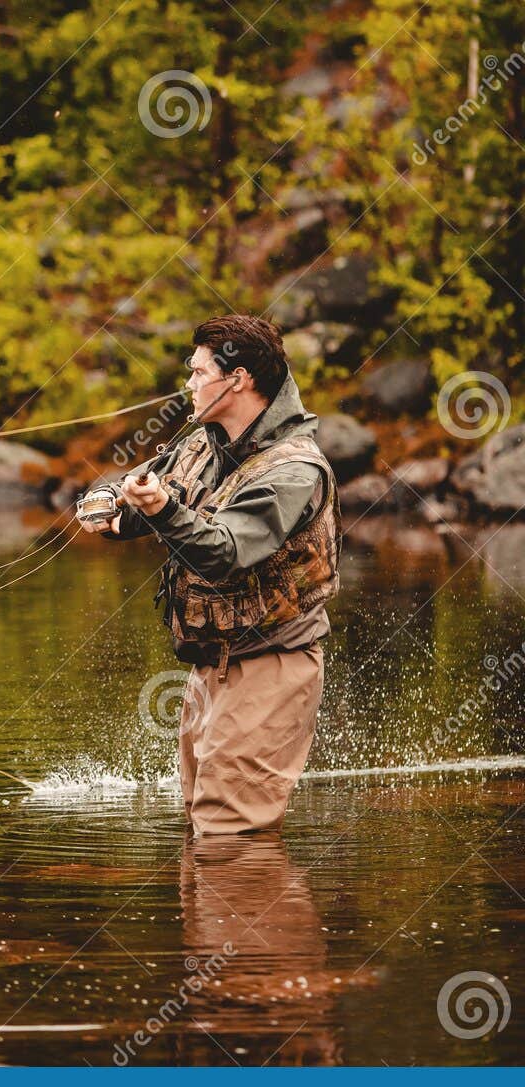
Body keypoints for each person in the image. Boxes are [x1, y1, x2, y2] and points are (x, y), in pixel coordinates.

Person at [79, 315, 341, 835]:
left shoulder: (294, 470)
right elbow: (154, 494)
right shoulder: (204, 443)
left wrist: (158, 510)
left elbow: (224, 550)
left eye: (198, 373)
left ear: (237, 378)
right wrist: (113, 508)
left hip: (270, 666)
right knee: (203, 830)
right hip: (209, 670)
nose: (190, 384)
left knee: (229, 838)